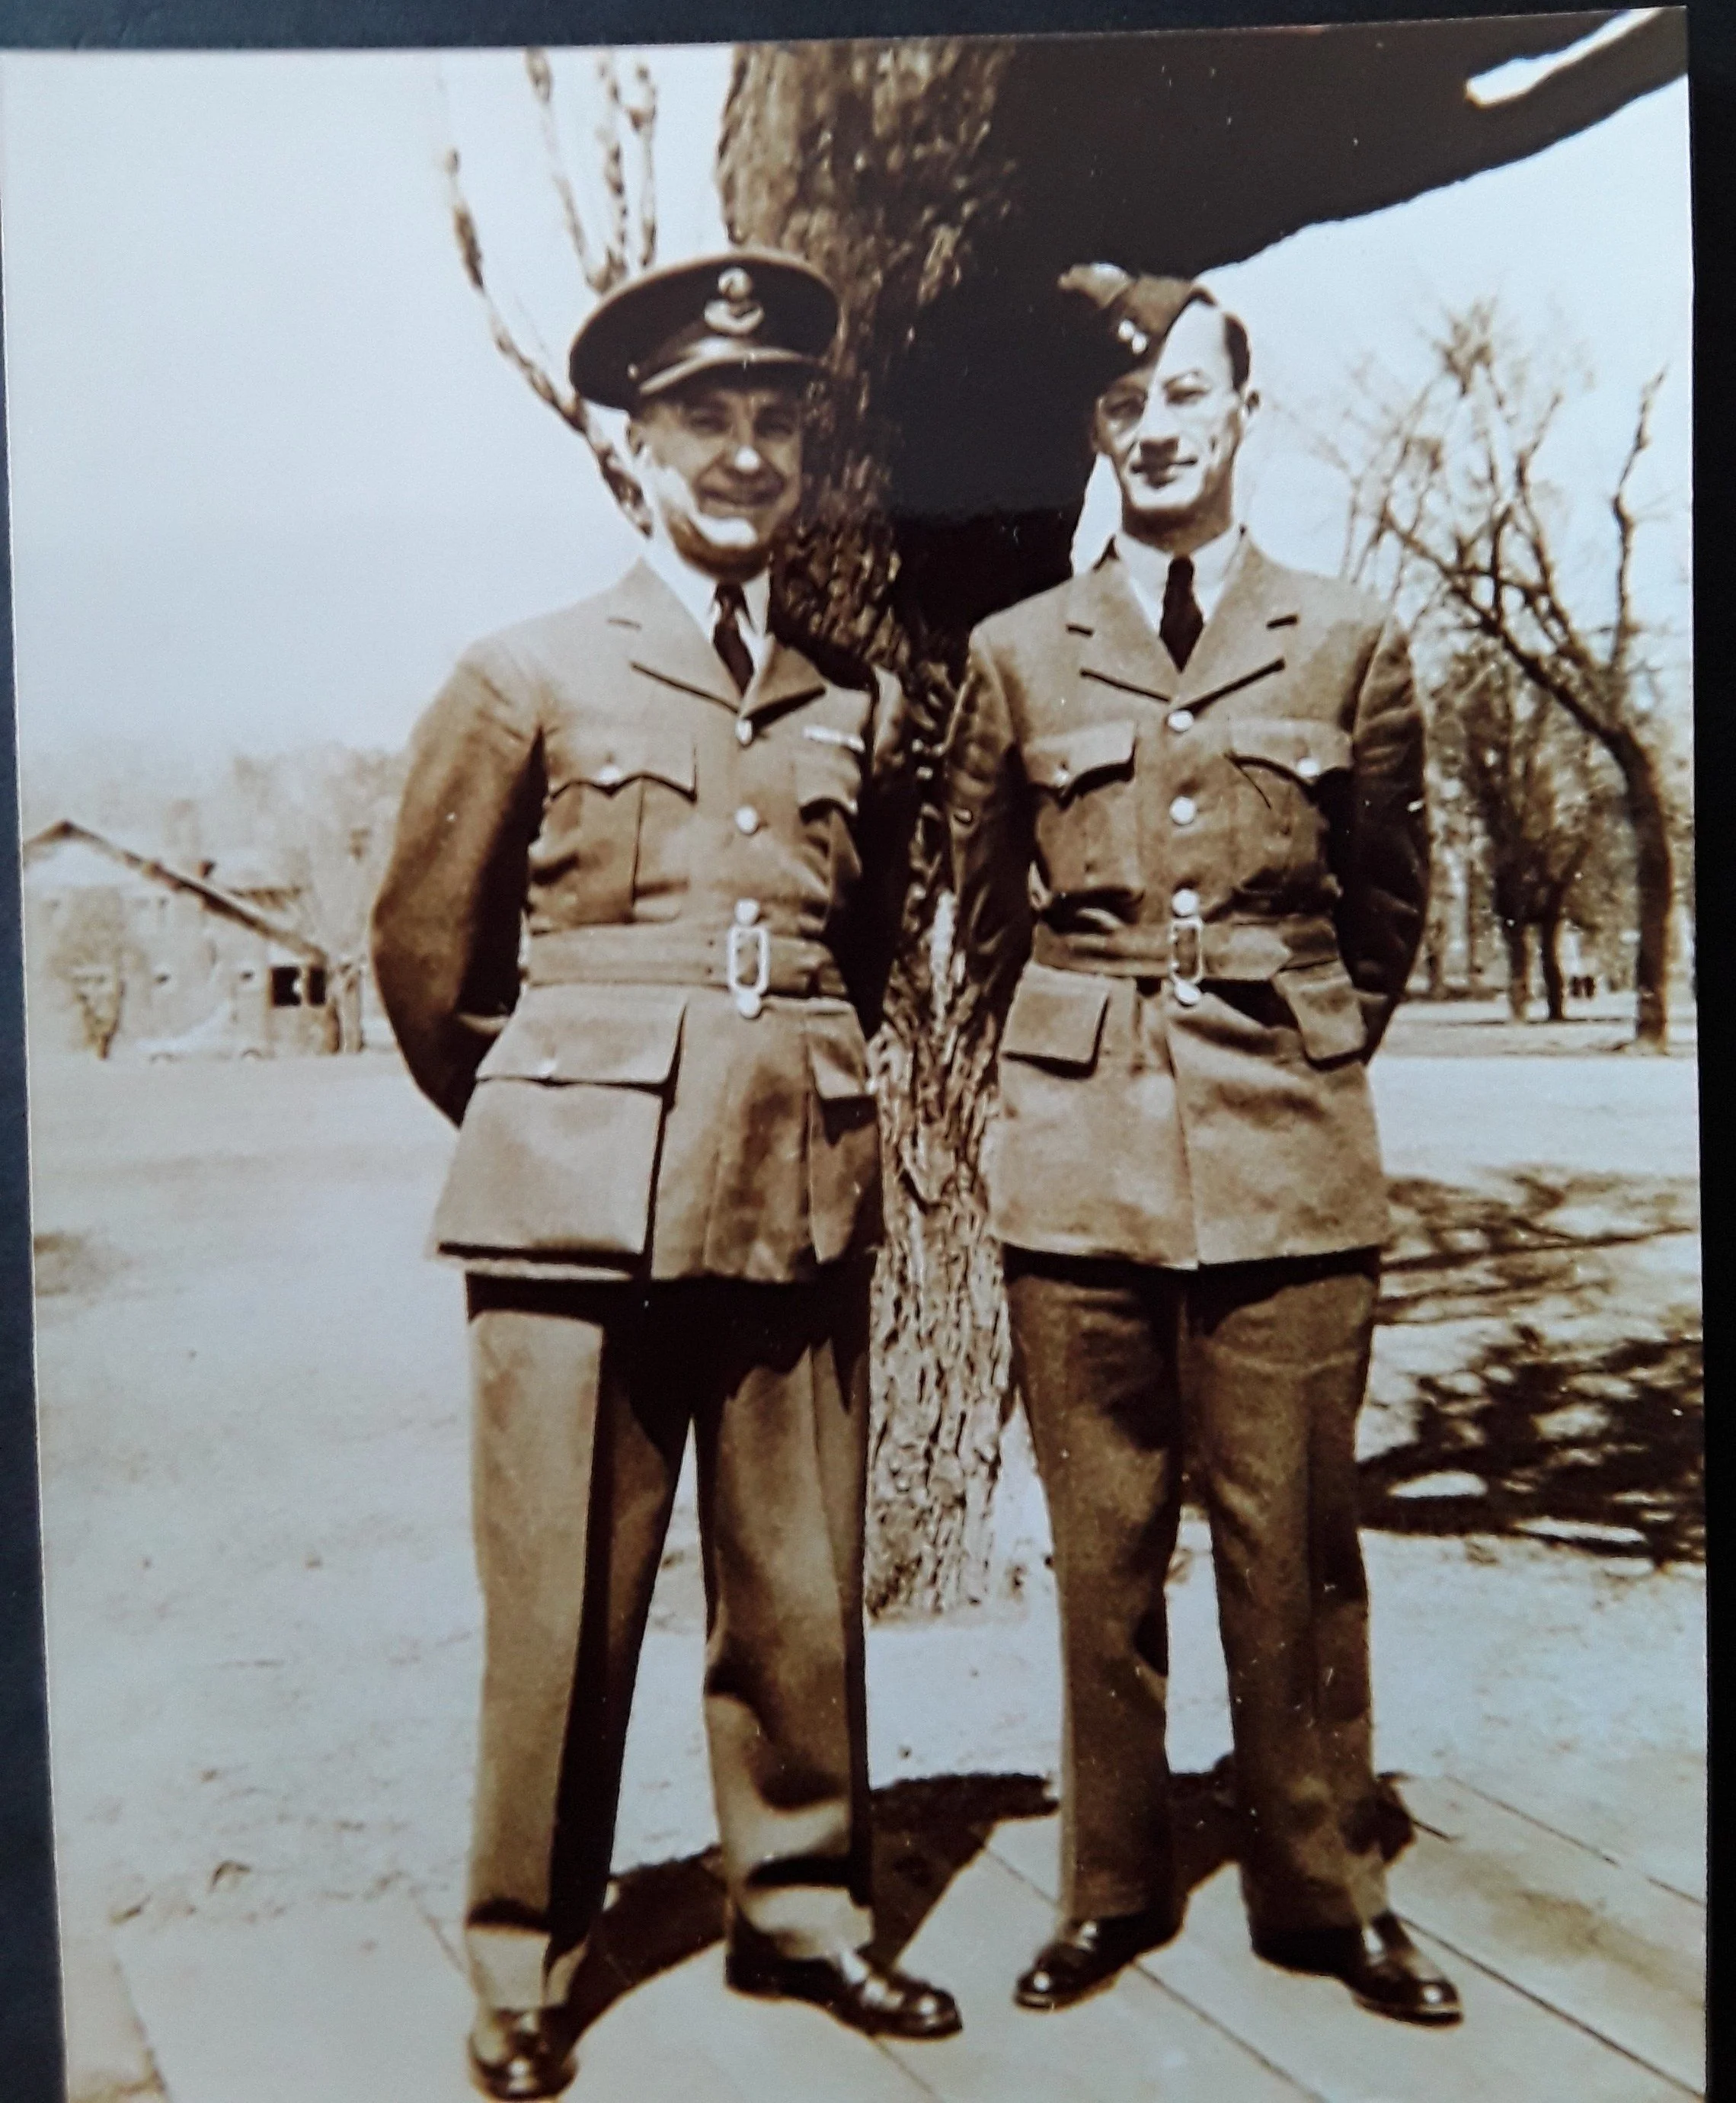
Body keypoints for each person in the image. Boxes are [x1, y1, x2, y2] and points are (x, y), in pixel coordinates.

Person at [372, 248, 961, 2101]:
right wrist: (564, 1099)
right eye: (704, 419)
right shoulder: (523, 672)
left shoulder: (846, 701)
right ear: (632, 452)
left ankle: (798, 1916)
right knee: (563, 1602)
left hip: (787, 1176)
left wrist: (768, 1082)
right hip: (572, 1207)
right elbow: (423, 962)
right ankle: (524, 1958)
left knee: (795, 1586)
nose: (744, 452)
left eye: (775, 422)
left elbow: (848, 957)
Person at [943, 269, 1462, 2027]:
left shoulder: (1349, 640)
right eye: (1122, 405)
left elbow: (1382, 911)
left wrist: (1287, 1043)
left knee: (1295, 1546)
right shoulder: (1016, 653)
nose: (1153, 427)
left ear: (1243, 413)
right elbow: (974, 923)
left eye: (1184, 394)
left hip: (1287, 1150)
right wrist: (1082, 1066)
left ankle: (1322, 1893)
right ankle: (1109, 1886)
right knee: (1100, 1548)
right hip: (1075, 1157)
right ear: (1094, 433)